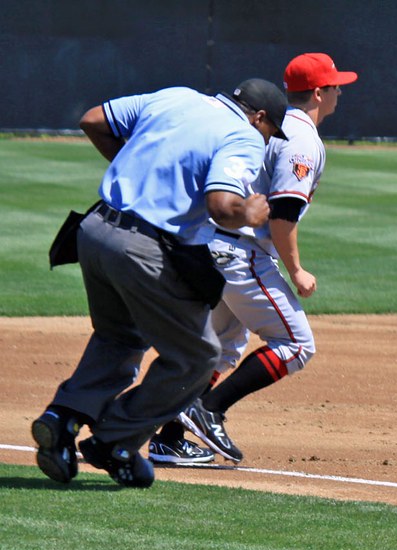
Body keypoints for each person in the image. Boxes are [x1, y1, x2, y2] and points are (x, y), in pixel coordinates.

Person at [31, 78, 288, 487]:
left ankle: (61, 418)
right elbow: (223, 207)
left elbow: (93, 119)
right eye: (271, 130)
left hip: (95, 230)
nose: (268, 139)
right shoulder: (243, 134)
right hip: (142, 249)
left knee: (120, 337)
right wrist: (250, 213)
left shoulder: (177, 96)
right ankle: (115, 441)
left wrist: (130, 173)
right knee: (199, 357)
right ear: (259, 117)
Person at [148, 53, 358, 464]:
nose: (339, 92)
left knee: (223, 345)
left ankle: (170, 438)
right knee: (296, 344)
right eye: (336, 86)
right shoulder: (303, 140)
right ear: (319, 92)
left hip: (211, 242)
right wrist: (295, 269)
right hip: (239, 251)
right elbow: (283, 214)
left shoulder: (275, 124)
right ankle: (208, 409)